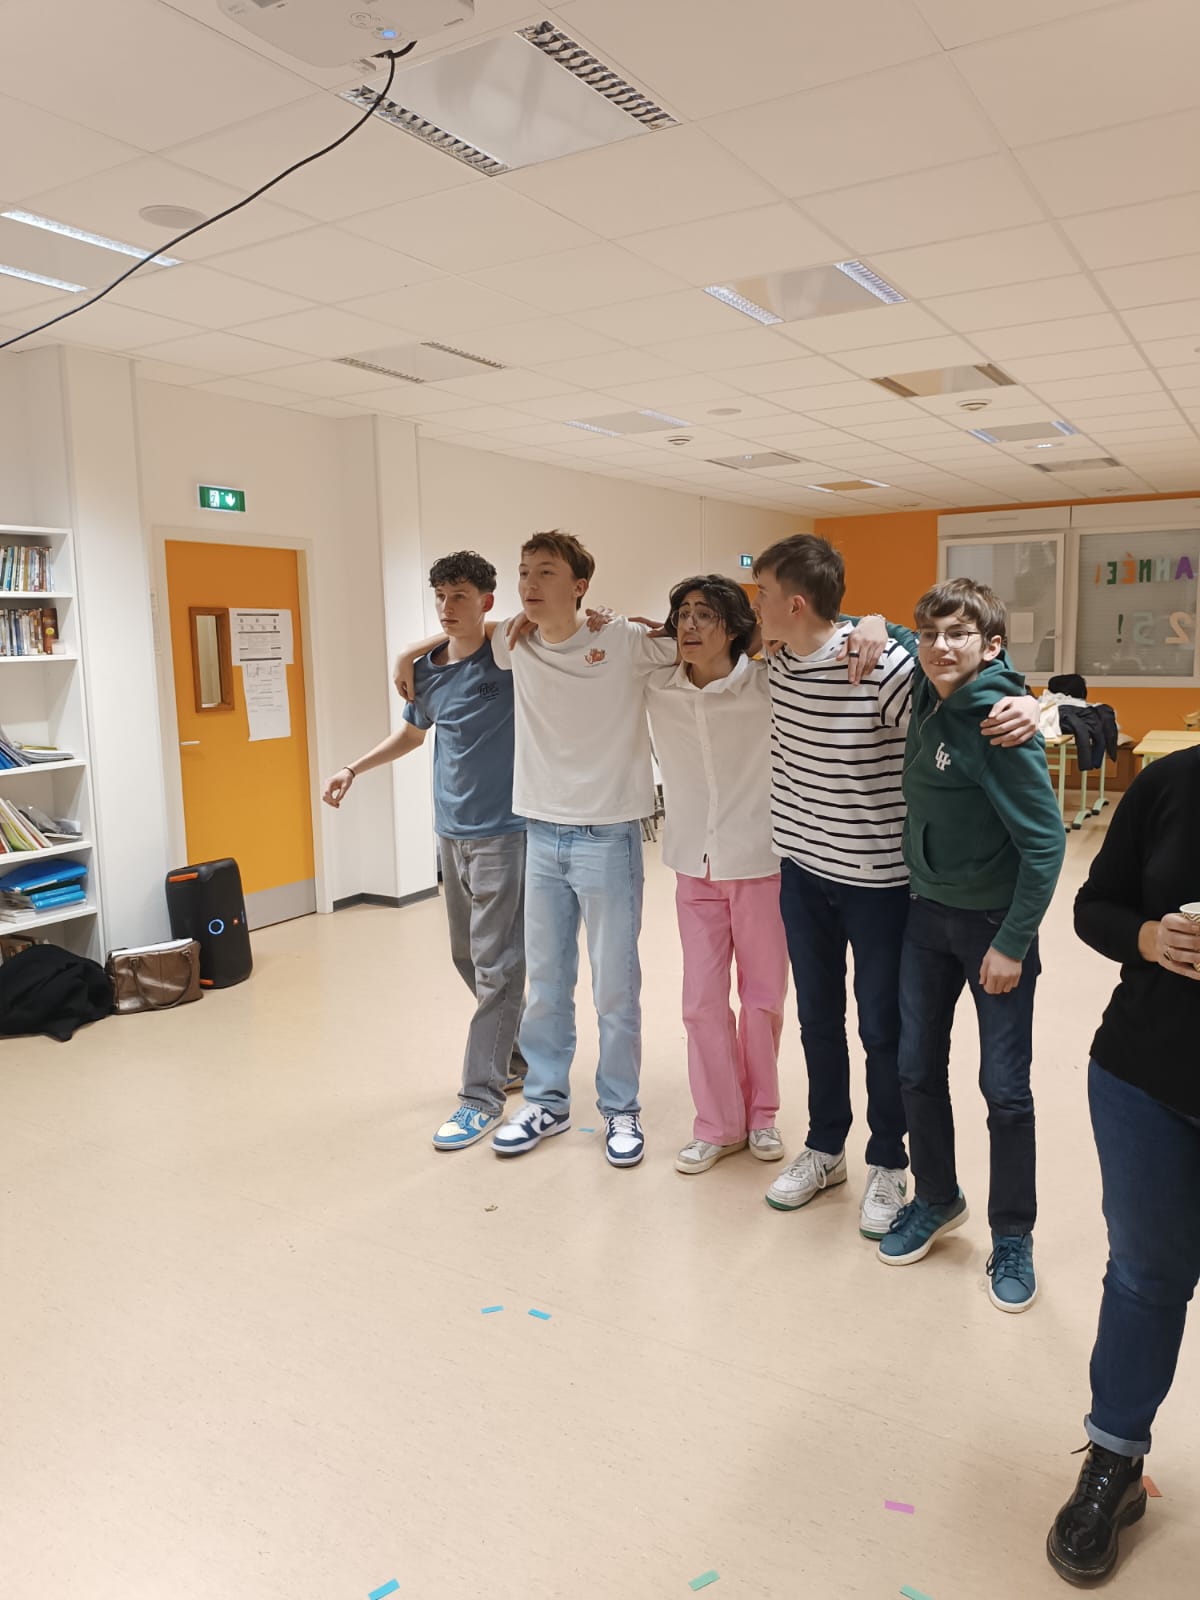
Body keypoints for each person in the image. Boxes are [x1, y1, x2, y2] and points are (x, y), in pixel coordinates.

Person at [750, 536, 1037, 1240]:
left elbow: (961, 698)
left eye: (762, 594)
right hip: (801, 873)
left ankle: (888, 1160)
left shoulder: (880, 666)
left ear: (794, 602)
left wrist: (1033, 703)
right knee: (818, 1021)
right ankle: (826, 1148)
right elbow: (699, 632)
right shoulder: (777, 659)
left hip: (878, 882)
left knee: (883, 1030)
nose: (755, 606)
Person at [396, 530, 676, 1168]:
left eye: (545, 572)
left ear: (579, 587)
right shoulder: (512, 642)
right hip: (540, 834)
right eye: (524, 571)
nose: (529, 583)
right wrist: (407, 653)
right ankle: (547, 1102)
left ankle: (621, 1108)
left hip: (609, 834)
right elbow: (465, 629)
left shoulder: (621, 640)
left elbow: (713, 643)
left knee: (614, 986)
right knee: (547, 984)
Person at [877, 579, 1065, 1317]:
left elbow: (1046, 845)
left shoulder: (998, 723)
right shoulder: (930, 686)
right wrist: (874, 623)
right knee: (916, 1069)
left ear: (991, 647)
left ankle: (1012, 1235)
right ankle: (937, 1196)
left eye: (958, 634)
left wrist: (1013, 944)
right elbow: (884, 628)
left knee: (1005, 1090)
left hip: (993, 927)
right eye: (930, 634)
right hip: (925, 917)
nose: (938, 646)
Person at [1046, 744, 1200, 1584]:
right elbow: (1094, 905)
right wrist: (1147, 936)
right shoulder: (1173, 782)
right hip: (1146, 1078)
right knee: (1145, 1278)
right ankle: (1114, 1460)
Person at [322, 551, 526, 1152]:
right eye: (439, 595)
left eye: (459, 595)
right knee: (467, 957)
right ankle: (517, 1058)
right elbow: (413, 734)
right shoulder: (427, 673)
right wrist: (352, 768)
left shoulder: (509, 655)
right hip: (451, 831)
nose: (446, 607)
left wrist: (404, 648)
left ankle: (481, 1096)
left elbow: (530, 623)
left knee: (497, 965)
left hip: (506, 831)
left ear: (486, 601)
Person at [641, 575, 789, 1175]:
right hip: (692, 865)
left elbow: (833, 632)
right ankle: (717, 1124)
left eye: (705, 614)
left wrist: (875, 627)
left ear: (734, 628)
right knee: (701, 1002)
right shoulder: (657, 686)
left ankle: (762, 1115)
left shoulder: (768, 685)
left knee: (763, 1000)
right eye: (682, 614)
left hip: (760, 862)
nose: (689, 625)